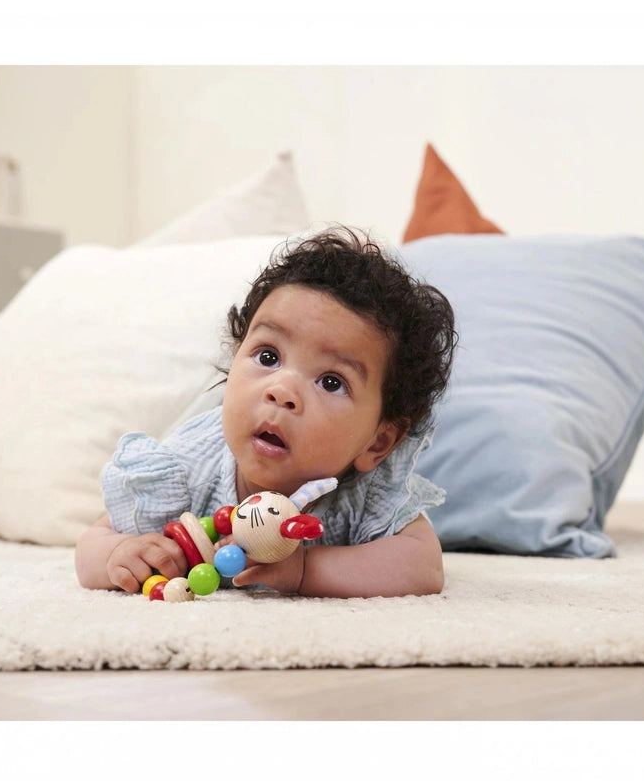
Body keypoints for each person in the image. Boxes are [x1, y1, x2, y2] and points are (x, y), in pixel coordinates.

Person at [75, 227, 457, 598]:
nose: (282, 391)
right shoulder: (189, 469)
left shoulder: (365, 495)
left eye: (330, 382)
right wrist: (118, 555)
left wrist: (306, 569)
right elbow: (92, 543)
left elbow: (423, 566)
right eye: (268, 357)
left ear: (378, 442)